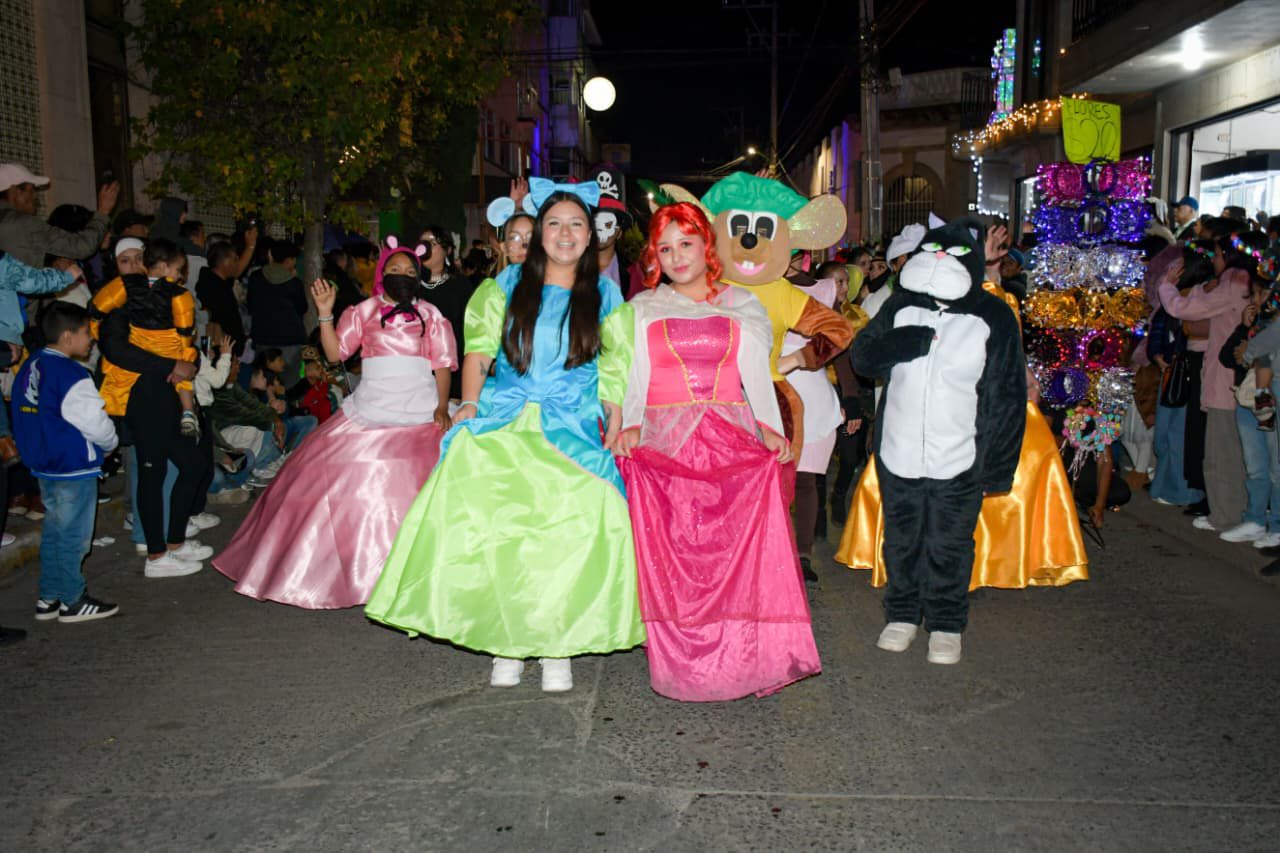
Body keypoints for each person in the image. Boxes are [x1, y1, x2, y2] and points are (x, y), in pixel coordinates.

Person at [366, 184, 644, 693]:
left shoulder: (605, 295)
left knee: (566, 534)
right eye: (555, 223)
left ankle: (556, 643)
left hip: (572, 427)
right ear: (539, 233)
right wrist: (469, 405)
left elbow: (615, 367)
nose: (565, 234)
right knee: (502, 533)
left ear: (590, 237)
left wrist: (614, 423)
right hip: (506, 417)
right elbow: (477, 352)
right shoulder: (506, 284)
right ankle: (505, 642)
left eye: (576, 224)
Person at [611, 202, 817, 701]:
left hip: (726, 432)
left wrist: (768, 426)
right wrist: (632, 424)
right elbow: (634, 375)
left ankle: (736, 660)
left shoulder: (742, 304)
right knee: (674, 556)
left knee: (728, 556)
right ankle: (682, 666)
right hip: (664, 442)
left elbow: (754, 373)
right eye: (666, 248)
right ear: (655, 257)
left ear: (707, 246)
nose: (678, 256)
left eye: (687, 243)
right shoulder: (641, 308)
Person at [214, 236, 456, 609]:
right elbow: (334, 352)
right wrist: (325, 313)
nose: (403, 275)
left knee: (425, 489)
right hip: (372, 408)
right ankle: (356, 569)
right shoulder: (363, 311)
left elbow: (441, 364)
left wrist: (442, 406)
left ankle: (421, 574)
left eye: (410, 271)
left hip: (421, 410)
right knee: (337, 483)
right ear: (381, 273)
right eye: (395, 269)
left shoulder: (432, 315)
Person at [847, 217, 1026, 665]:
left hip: (960, 456)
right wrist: (902, 343)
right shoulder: (899, 306)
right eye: (933, 252)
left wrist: (999, 467)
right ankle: (902, 613)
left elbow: (1007, 394)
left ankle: (946, 621)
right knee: (902, 539)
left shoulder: (993, 315)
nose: (941, 260)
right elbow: (863, 356)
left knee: (950, 543)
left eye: (954, 254)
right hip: (899, 451)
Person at [12, 303, 119, 622]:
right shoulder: (71, 373)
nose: (91, 340)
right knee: (74, 535)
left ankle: (50, 596)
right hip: (73, 465)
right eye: (87, 333)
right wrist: (110, 444)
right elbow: (94, 421)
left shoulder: (32, 365)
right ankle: (73, 599)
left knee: (56, 531)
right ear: (69, 336)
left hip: (45, 463)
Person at [1159, 232, 1255, 534]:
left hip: (1225, 380)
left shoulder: (1233, 284)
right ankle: (1229, 512)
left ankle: (1225, 515)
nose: (1214, 260)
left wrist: (1167, 286)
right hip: (1228, 378)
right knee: (1230, 452)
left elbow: (1185, 309)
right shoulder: (1239, 283)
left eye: (1217, 254)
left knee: (1221, 452)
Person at [92, 239, 200, 439]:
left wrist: (190, 363)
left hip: (164, 391)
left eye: (139, 258)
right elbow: (117, 350)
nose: (134, 265)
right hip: (134, 396)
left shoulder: (169, 296)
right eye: (125, 260)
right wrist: (173, 364)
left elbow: (186, 337)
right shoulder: (117, 306)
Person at [416, 224, 472, 401]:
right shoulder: (411, 283)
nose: (425, 247)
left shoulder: (460, 285)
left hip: (453, 365)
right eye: (423, 242)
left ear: (447, 250)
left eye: (432, 242)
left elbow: (470, 327)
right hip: (418, 368)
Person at [246, 239, 308, 382]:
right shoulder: (294, 283)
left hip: (263, 337)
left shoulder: (255, 278)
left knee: (265, 382)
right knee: (290, 382)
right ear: (290, 260)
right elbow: (302, 308)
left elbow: (251, 305)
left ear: (271, 256)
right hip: (290, 339)